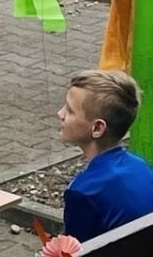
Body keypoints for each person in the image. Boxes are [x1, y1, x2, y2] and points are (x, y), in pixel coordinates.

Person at [59, 70, 153, 242]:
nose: (60, 114)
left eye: (70, 110)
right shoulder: (140, 166)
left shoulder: (83, 192)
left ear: (97, 128)